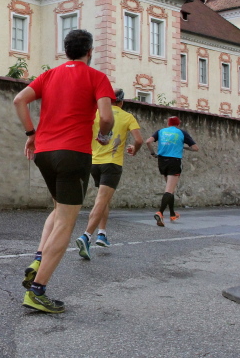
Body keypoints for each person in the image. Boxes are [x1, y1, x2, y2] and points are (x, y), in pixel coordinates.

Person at [13, 29, 114, 313]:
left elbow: (19, 100)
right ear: (90, 51)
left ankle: (38, 260)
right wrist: (104, 136)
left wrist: (31, 134)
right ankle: (37, 292)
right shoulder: (97, 77)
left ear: (66, 51)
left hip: (44, 153)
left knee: (59, 210)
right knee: (67, 223)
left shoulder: (49, 75)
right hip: (73, 154)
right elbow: (106, 117)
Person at [76, 89, 143, 259]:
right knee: (101, 200)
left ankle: (102, 234)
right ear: (121, 102)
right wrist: (134, 149)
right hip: (112, 164)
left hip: (94, 163)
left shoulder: (96, 114)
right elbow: (139, 140)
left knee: (104, 199)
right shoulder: (127, 117)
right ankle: (86, 236)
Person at [145, 116, 199, 226]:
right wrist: (184, 147)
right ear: (178, 124)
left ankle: (172, 214)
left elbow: (148, 141)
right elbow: (195, 148)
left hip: (161, 161)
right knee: (169, 190)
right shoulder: (182, 132)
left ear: (168, 123)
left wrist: (153, 153)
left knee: (170, 189)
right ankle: (160, 212)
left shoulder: (160, 131)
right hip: (174, 161)